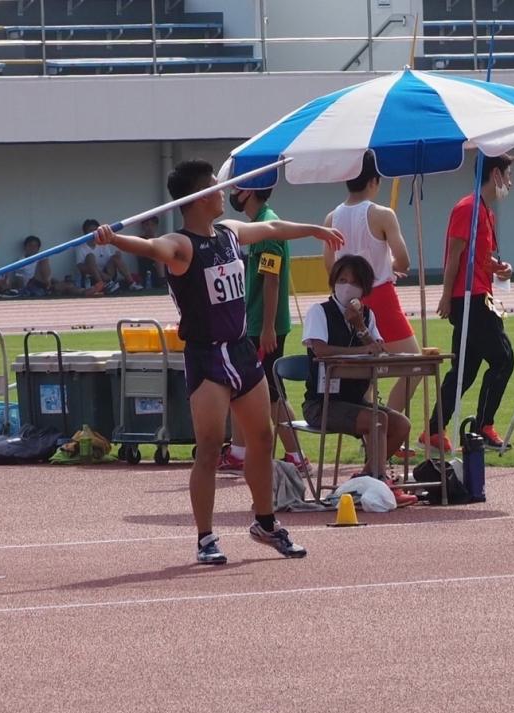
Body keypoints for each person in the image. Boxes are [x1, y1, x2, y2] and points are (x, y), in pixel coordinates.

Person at [95, 159, 344, 564]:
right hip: (208, 357)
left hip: (242, 351)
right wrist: (115, 238)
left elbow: (273, 229)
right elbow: (154, 247)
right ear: (196, 197)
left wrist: (313, 229)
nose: (224, 191)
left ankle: (265, 523)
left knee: (262, 440)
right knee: (209, 448)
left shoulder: (229, 233)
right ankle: (206, 538)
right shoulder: (181, 245)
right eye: (215, 186)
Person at [324, 151, 422, 457]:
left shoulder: (331, 219)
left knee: (366, 370)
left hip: (346, 299)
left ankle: (372, 431)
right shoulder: (382, 214)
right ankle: (390, 423)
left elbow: (330, 267)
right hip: (379, 294)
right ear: (375, 181)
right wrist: (389, 265)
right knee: (415, 364)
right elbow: (404, 258)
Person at [301, 255, 415, 504]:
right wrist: (361, 351)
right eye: (342, 280)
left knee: (401, 425)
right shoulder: (319, 312)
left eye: (354, 282)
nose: (347, 287)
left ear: (363, 288)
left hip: (355, 400)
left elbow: (378, 349)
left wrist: (360, 325)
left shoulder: (367, 315)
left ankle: (365, 480)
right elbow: (320, 350)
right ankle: (379, 481)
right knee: (377, 420)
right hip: (323, 403)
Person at [426, 153, 514, 452]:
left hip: (480, 293)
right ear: (496, 174)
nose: (510, 183)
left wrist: (499, 268)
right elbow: (454, 254)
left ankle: (434, 430)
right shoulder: (467, 208)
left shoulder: (486, 212)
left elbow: (478, 258)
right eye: (508, 175)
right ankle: (483, 425)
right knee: (503, 360)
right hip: (470, 299)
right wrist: (446, 295)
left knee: (464, 371)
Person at [218, 187, 308, 475]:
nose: (232, 194)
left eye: (237, 189)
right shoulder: (258, 225)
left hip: (264, 325)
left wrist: (268, 327)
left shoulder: (268, 228)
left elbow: (272, 280)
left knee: (270, 394)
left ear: (251, 192)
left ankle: (295, 454)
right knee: (244, 390)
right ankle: (239, 451)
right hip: (256, 322)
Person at [11, 235, 104, 297]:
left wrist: (57, 282)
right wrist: (22, 292)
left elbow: (47, 274)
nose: (33, 248)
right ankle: (48, 285)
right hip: (31, 287)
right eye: (30, 246)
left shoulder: (38, 258)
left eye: (35, 246)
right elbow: (19, 280)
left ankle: (85, 291)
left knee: (68, 286)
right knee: (43, 258)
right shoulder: (21, 261)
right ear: (25, 247)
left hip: (45, 285)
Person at [76, 219, 142, 293]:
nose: (93, 233)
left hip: (108, 276)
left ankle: (131, 283)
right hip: (92, 277)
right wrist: (100, 274)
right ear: (85, 233)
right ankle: (101, 285)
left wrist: (118, 258)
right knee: (90, 256)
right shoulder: (81, 247)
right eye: (90, 230)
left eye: (95, 230)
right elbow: (80, 267)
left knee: (115, 257)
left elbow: (110, 260)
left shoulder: (103, 243)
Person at [135, 216, 168, 287]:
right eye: (147, 225)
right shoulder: (140, 239)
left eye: (152, 225)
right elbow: (140, 254)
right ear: (143, 226)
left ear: (156, 226)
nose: (150, 227)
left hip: (162, 268)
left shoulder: (161, 240)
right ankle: (162, 281)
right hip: (147, 270)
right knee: (158, 257)